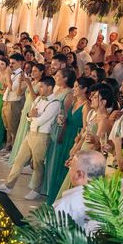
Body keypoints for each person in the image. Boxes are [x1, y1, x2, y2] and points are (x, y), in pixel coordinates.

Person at [0, 76, 60, 199]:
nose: (39, 88)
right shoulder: (39, 98)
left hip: (42, 136)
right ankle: (8, 185)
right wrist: (31, 115)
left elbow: (41, 120)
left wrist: (33, 116)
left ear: (49, 87)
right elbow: (29, 115)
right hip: (31, 133)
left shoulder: (55, 103)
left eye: (41, 86)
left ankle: (36, 190)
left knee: (37, 164)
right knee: (19, 160)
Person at [45, 76, 94, 205]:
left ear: (85, 90)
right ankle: (52, 199)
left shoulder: (86, 106)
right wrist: (63, 120)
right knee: (58, 166)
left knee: (65, 170)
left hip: (74, 138)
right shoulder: (74, 101)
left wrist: (77, 144)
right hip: (66, 134)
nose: (74, 89)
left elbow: (85, 128)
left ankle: (60, 201)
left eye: (78, 86)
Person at [0, 53, 26, 155]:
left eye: (13, 63)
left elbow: (11, 88)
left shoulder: (22, 76)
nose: (10, 65)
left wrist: (7, 75)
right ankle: (7, 147)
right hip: (7, 101)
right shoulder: (12, 73)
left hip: (14, 103)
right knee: (7, 127)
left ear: (20, 63)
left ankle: (13, 151)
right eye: (10, 63)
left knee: (13, 128)